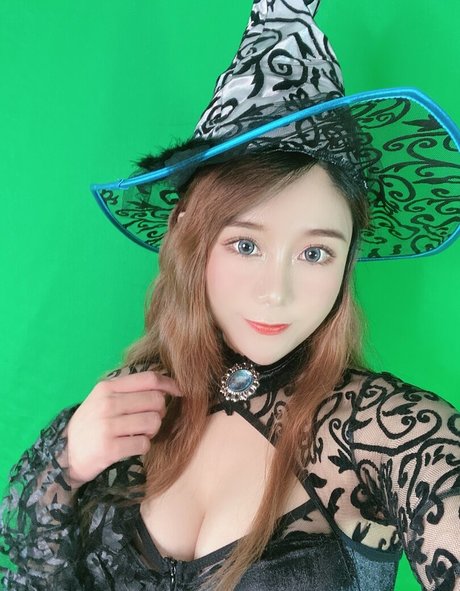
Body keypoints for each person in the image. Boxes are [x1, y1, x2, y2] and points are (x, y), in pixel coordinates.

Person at [1, 1, 459, 590]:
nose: (276, 293)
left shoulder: (385, 432)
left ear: (347, 260)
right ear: (190, 238)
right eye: (245, 245)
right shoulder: (135, 398)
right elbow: (32, 570)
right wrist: (66, 464)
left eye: (315, 253)